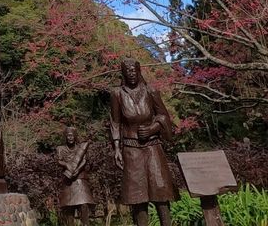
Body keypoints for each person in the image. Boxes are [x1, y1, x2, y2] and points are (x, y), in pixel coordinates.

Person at [110, 59, 178, 226]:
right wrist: (117, 148)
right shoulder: (117, 94)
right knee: (137, 196)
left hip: (153, 146)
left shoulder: (151, 91)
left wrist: (153, 128)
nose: (131, 73)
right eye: (128, 70)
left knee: (161, 192)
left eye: (134, 70)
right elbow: (115, 122)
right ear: (123, 73)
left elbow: (164, 116)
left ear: (139, 71)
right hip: (131, 148)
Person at [57, 126, 94, 226]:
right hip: (68, 180)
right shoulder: (60, 149)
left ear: (75, 136)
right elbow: (59, 160)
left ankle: (85, 224)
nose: (70, 138)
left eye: (72, 135)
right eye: (68, 135)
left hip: (80, 178)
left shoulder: (80, 148)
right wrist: (67, 165)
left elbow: (84, 160)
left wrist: (77, 170)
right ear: (65, 137)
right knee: (69, 207)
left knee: (84, 204)